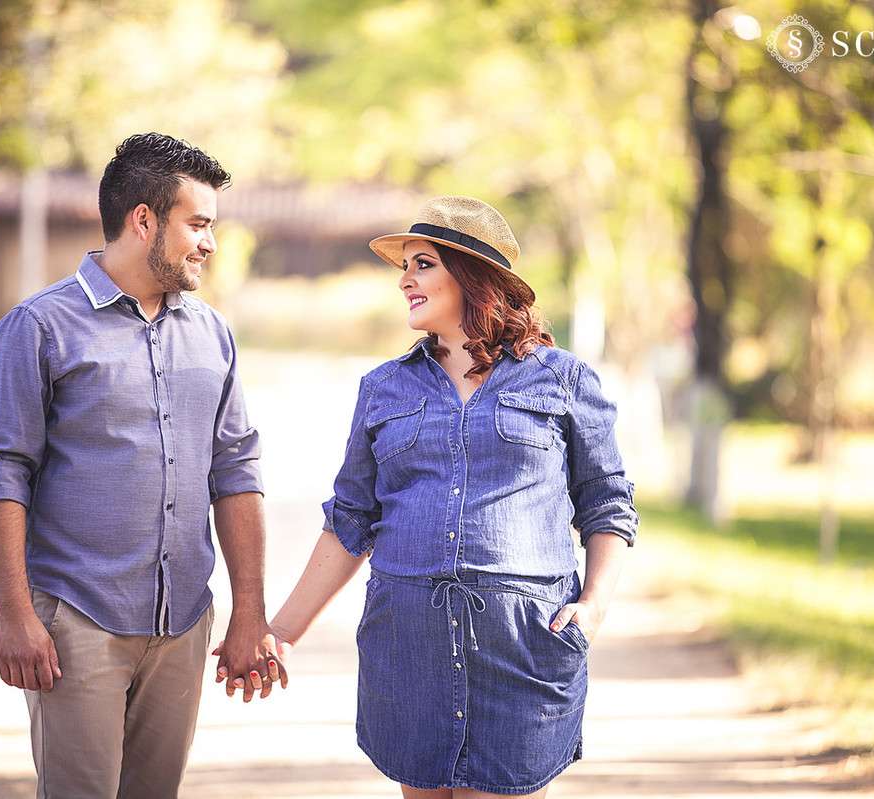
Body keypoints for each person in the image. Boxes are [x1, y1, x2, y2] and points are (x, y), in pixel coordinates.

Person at [266, 196, 638, 798]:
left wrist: (593, 606)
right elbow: (351, 520)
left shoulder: (563, 380)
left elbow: (607, 503)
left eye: (423, 264)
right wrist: (279, 631)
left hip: (523, 652)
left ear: (471, 275)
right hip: (410, 652)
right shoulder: (383, 388)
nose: (405, 281)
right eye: (404, 267)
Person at [0, 132, 283, 799]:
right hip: (78, 620)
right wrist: (15, 615)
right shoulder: (39, 327)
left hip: (183, 624)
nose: (210, 242)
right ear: (144, 221)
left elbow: (237, 473)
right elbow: (0, 475)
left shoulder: (212, 333)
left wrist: (249, 609)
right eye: (198, 224)